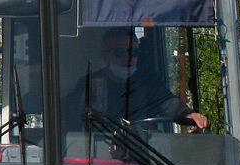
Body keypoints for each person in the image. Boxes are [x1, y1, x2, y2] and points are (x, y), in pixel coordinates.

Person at [68, 28, 207, 131]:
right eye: (118, 52)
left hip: (145, 152)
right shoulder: (88, 84)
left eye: (132, 52)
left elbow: (168, 103)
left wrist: (188, 114)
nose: (126, 58)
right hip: (99, 156)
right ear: (105, 56)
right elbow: (75, 124)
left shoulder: (148, 80)